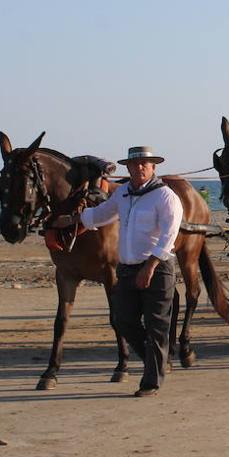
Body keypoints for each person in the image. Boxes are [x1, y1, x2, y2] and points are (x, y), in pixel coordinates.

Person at [53, 146, 182, 397]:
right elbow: (102, 214)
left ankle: (151, 382)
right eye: (134, 165)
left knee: (156, 325)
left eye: (144, 164)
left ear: (153, 167)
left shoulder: (165, 197)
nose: (139, 168)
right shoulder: (123, 193)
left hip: (157, 268)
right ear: (128, 168)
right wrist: (71, 221)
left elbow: (169, 236)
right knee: (123, 319)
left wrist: (151, 267)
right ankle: (155, 360)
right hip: (127, 268)